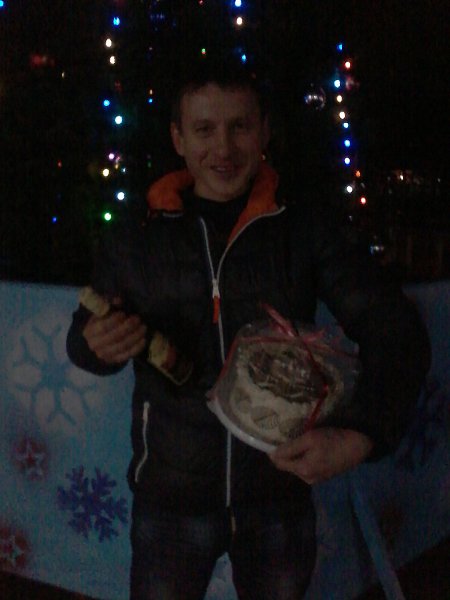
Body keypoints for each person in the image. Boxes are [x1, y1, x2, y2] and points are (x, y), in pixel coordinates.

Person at [66, 56, 430, 600]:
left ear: (263, 132)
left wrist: (361, 435)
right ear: (178, 138)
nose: (224, 147)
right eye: (204, 129)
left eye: (239, 127)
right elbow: (83, 337)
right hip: (170, 499)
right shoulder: (136, 236)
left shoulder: (304, 227)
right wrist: (94, 345)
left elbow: (396, 331)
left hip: (279, 495)